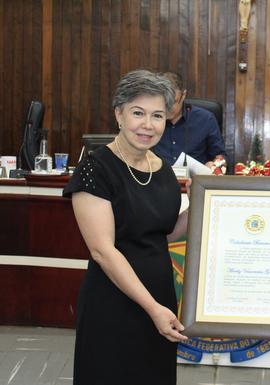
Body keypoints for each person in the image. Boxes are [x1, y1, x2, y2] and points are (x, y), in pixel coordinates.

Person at [63, 70, 189, 385]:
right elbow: (103, 251)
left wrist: (204, 206)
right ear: (119, 114)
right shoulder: (95, 169)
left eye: (157, 115)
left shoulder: (163, 169)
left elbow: (164, 234)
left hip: (160, 300)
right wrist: (151, 308)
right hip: (115, 303)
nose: (148, 124)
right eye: (138, 113)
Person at [153, 71, 227, 167]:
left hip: (195, 180)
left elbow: (221, 157)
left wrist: (216, 164)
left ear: (183, 95)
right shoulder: (150, 120)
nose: (167, 107)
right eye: (164, 102)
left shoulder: (206, 119)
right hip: (157, 180)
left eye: (173, 102)